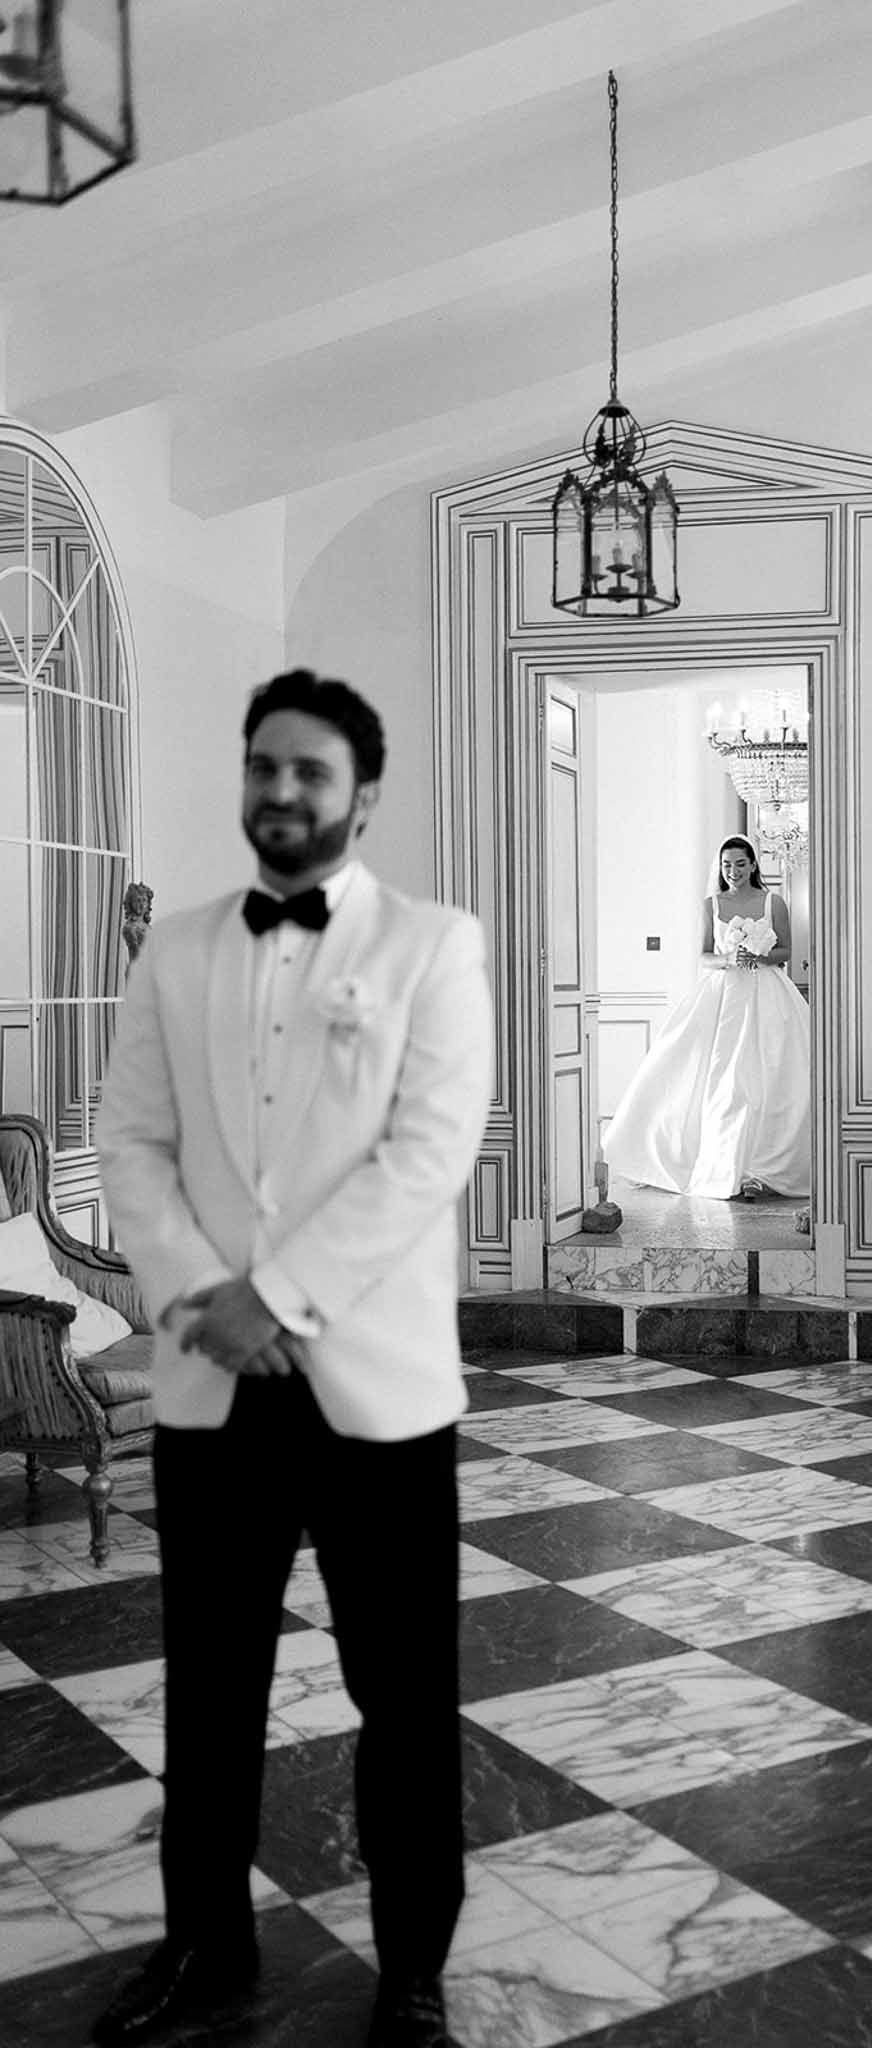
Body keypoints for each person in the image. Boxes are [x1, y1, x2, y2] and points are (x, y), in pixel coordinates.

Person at [92, 670, 493, 2048]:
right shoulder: (180, 948)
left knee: (404, 1700)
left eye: (310, 771)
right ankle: (205, 1951)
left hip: (375, 1393)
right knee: (208, 1694)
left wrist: (281, 1296)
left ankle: (412, 1976)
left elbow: (425, 1156)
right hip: (213, 1384)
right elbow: (129, 1144)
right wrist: (209, 1295)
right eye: (264, 765)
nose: (281, 791)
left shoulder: (436, 947)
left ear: (361, 794)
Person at [602, 834, 811, 1199]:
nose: (734, 871)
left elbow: (786, 950)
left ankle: (762, 1164)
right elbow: (703, 955)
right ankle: (717, 1160)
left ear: (753, 864)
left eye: (741, 864)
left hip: (766, 993)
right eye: (727, 864)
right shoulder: (711, 904)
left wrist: (759, 956)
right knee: (718, 1075)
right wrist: (731, 959)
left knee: (768, 1073)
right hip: (724, 994)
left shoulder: (773, 901)